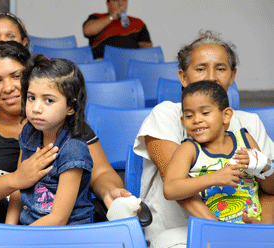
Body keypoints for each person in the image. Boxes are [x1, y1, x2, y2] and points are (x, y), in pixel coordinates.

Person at [0, 41, 128, 223]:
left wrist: (109, 191)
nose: (8, 87)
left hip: (54, 229)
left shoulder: (69, 129)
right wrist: (16, 180)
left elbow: (101, 173)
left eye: (16, 76)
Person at [134, 30, 274, 248]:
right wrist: (222, 234)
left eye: (221, 68)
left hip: (248, 228)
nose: (211, 77)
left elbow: (268, 188)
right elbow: (178, 186)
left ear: (232, 75)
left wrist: (264, 232)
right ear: (183, 77)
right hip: (180, 231)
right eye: (201, 69)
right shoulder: (167, 115)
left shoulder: (250, 123)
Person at [164, 81, 274, 223]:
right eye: (189, 115)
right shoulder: (189, 149)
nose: (197, 120)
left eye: (205, 113)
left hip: (255, 225)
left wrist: (265, 167)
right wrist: (214, 178)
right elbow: (170, 189)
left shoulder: (245, 140)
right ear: (183, 121)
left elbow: (270, 190)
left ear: (226, 115)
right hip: (214, 232)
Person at [5, 55, 93, 226]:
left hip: (66, 235)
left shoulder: (73, 150)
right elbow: (18, 186)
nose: (36, 109)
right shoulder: (29, 132)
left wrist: (15, 240)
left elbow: (58, 219)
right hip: (28, 230)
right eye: (31, 98)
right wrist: (7, 230)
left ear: (70, 107)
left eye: (49, 100)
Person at [83, 0, 153, 59]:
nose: (121, 4)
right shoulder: (97, 17)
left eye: (124, 0)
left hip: (130, 64)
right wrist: (112, 17)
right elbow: (88, 30)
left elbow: (147, 49)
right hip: (104, 64)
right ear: (108, 4)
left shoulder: (138, 23)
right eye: (116, 0)